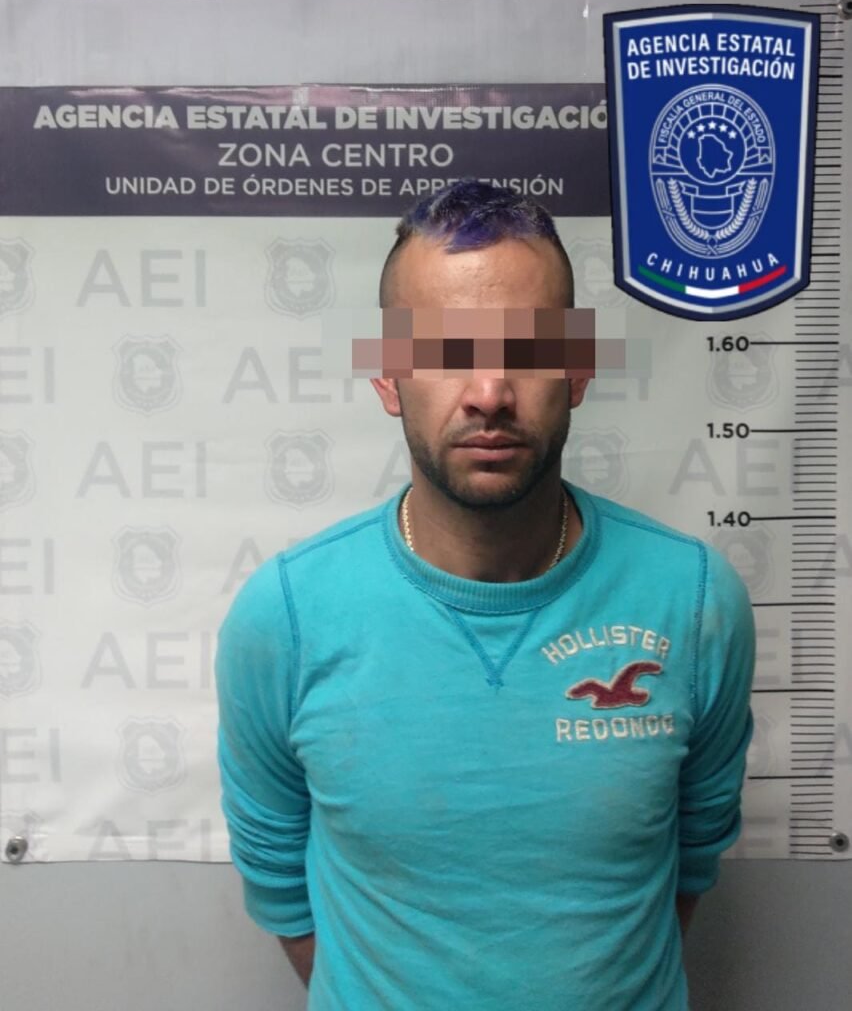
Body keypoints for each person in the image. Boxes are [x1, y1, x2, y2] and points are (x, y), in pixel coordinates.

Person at [215, 180, 756, 1010]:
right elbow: (281, 884)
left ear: (578, 369)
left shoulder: (694, 602)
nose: (490, 393)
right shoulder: (283, 619)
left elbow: (691, 861)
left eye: (529, 349)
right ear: (388, 375)